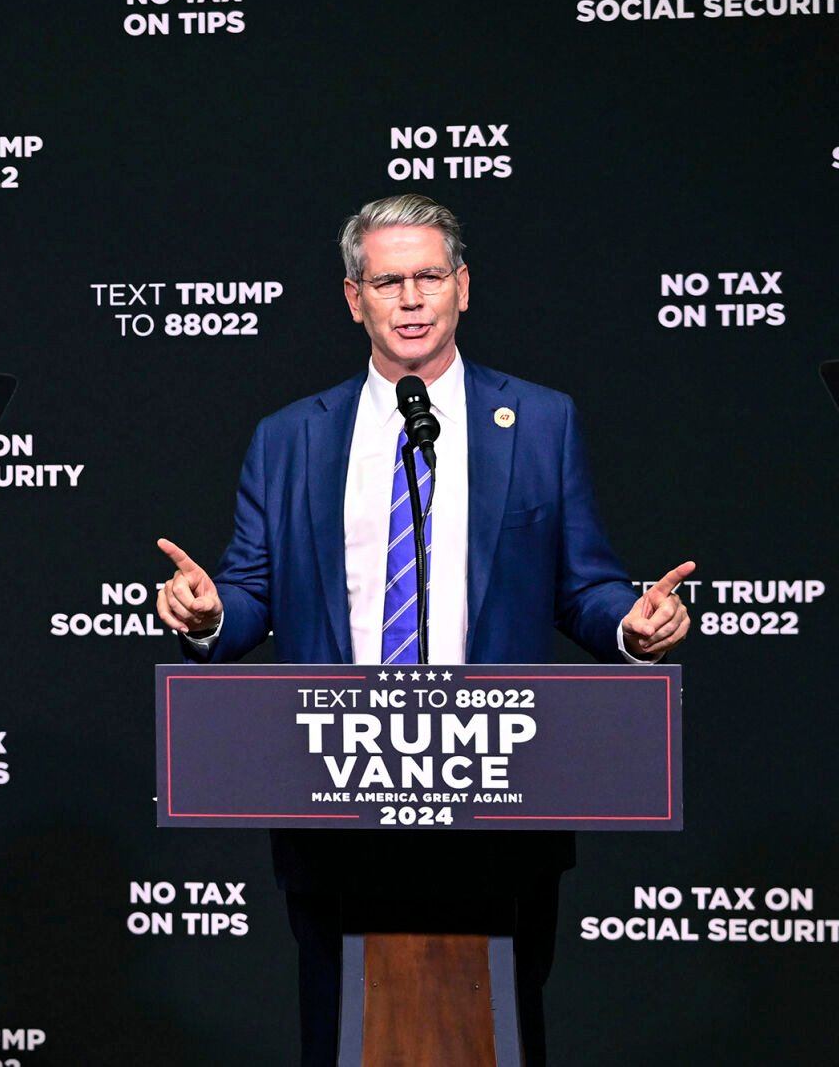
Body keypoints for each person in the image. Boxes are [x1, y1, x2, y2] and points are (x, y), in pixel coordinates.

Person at [155, 195, 693, 1066]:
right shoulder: (290, 437)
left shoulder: (542, 422)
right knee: (343, 1038)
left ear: (464, 288)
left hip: (501, 799)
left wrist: (633, 625)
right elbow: (250, 592)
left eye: (429, 277)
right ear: (353, 297)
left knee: (501, 1035)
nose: (411, 298)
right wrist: (210, 613)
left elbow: (584, 585)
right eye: (388, 280)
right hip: (336, 800)